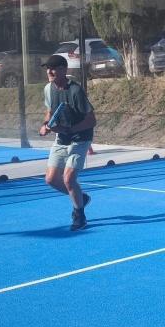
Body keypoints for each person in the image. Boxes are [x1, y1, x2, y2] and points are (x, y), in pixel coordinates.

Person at [37, 54, 97, 231]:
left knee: (69, 179)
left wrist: (70, 130)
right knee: (50, 179)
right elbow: (50, 112)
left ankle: (80, 215)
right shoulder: (48, 89)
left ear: (64, 70)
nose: (49, 71)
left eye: (53, 68)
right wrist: (45, 125)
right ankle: (81, 198)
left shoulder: (75, 91)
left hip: (80, 139)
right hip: (61, 140)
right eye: (48, 68)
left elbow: (91, 120)